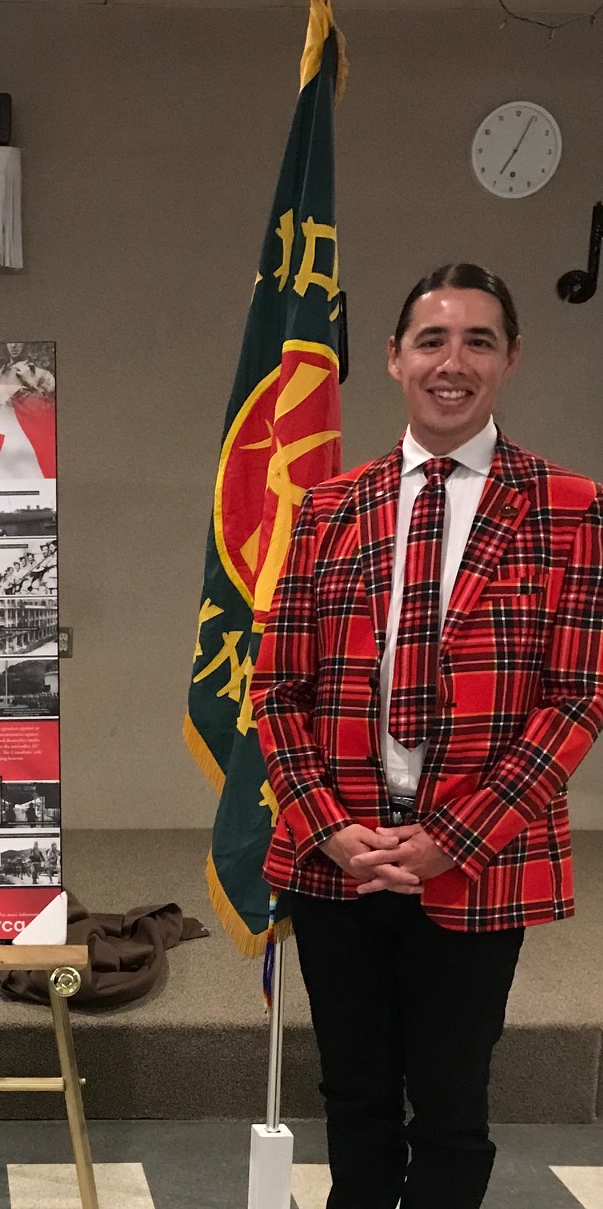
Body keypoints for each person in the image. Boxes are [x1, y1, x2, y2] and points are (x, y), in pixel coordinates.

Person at [251, 263, 603, 1209]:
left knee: (451, 1107)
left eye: (479, 341)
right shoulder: (326, 510)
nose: (454, 362)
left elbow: (575, 699)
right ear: (396, 359)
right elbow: (276, 689)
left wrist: (457, 836)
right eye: (433, 340)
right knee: (354, 1099)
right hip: (339, 858)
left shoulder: (569, 509)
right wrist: (326, 826)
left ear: (511, 359)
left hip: (478, 857)